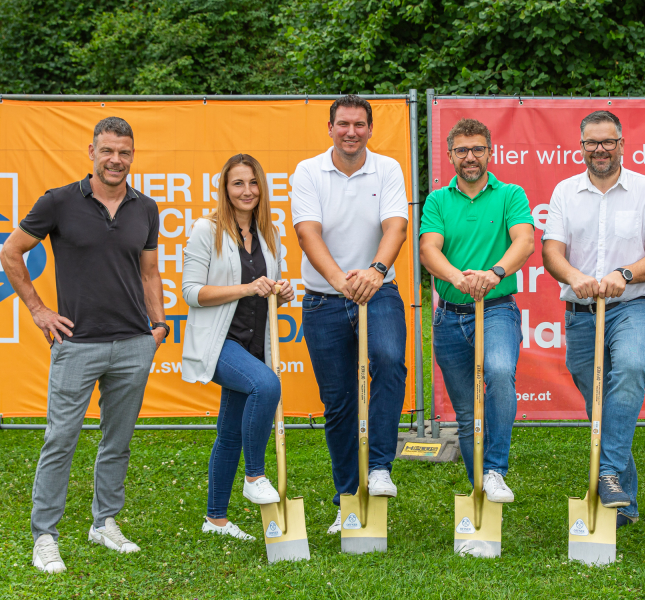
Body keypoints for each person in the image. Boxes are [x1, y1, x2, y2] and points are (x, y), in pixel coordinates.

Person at [1, 117, 166, 574]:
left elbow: (150, 272)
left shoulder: (145, 208)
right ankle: (45, 537)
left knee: (118, 440)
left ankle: (105, 522)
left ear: (133, 155)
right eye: (108, 151)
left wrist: (159, 325)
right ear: (91, 151)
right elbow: (11, 252)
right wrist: (38, 310)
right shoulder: (58, 202)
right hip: (77, 344)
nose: (116, 160)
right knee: (61, 439)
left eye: (125, 152)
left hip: (134, 343)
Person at [541, 110, 645, 529]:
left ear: (622, 143)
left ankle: (607, 473)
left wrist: (625, 274)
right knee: (601, 404)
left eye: (608, 142)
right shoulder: (565, 192)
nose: (600, 149)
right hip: (581, 314)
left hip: (632, 306)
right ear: (581, 146)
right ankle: (624, 499)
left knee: (631, 369)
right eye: (591, 143)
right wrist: (575, 277)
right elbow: (551, 252)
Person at [291, 94, 410, 534]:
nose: (351, 132)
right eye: (343, 124)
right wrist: (342, 281)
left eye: (360, 124)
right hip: (324, 298)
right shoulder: (308, 171)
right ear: (330, 128)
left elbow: (395, 226)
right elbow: (307, 234)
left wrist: (376, 272)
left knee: (390, 362)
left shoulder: (388, 169)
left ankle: (379, 466)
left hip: (379, 291)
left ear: (370, 129)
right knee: (338, 404)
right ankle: (347, 499)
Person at [181, 154, 295, 542]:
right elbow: (191, 293)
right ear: (225, 190)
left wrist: (284, 290)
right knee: (266, 386)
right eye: (237, 184)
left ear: (262, 187)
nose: (246, 191)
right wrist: (247, 288)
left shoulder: (269, 234)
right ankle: (254, 475)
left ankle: (215, 520)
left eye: (252, 183)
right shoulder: (205, 230)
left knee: (229, 433)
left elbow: (272, 288)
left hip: (253, 341)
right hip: (219, 343)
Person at [420, 118, 535, 501]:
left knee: (500, 374)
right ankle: (480, 489)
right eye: (462, 150)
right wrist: (457, 278)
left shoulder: (510, 194)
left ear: (490, 152)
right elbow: (429, 250)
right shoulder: (438, 199)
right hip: (449, 317)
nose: (470, 157)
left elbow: (524, 241)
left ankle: (495, 471)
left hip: (496, 309)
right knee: (468, 413)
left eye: (478, 149)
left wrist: (494, 272)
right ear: (450, 155)